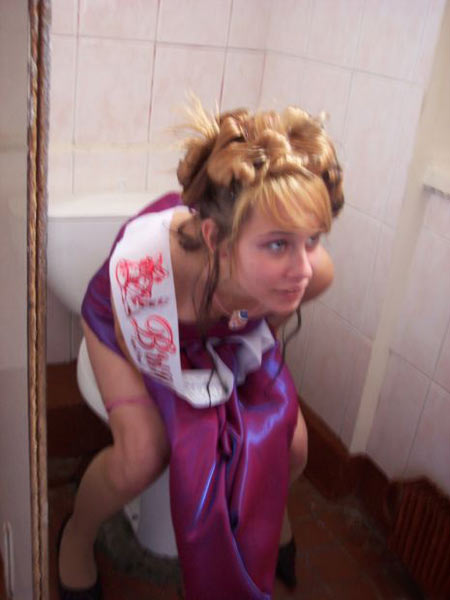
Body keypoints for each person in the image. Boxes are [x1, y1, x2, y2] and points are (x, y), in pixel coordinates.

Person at [57, 98, 344, 600]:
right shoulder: (148, 268)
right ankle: (76, 538)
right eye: (278, 244)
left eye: (312, 239)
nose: (302, 268)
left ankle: (269, 514)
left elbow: (269, 325)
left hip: (225, 329)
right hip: (130, 328)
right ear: (216, 238)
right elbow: (135, 346)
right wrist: (201, 426)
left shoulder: (312, 273)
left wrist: (241, 338)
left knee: (294, 445)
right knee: (142, 455)